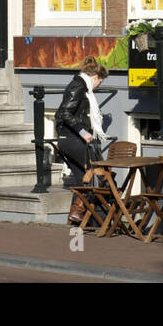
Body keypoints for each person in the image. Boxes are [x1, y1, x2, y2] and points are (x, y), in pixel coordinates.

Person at [55, 57, 109, 225]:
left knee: (82, 180)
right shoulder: (78, 86)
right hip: (72, 140)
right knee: (95, 172)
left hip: (70, 140)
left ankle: (76, 221)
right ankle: (89, 214)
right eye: (100, 81)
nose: (100, 85)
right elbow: (64, 112)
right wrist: (82, 131)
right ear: (95, 77)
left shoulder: (81, 86)